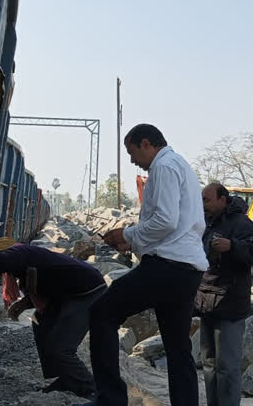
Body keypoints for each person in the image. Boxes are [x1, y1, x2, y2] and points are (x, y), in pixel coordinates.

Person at [77, 123, 208, 406]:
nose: (132, 160)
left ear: (146, 143)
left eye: (132, 152)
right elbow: (172, 224)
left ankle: (110, 399)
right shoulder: (179, 164)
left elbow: (165, 221)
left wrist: (127, 234)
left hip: (168, 266)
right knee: (177, 348)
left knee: (101, 313)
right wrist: (133, 241)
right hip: (187, 269)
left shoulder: (164, 166)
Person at [0, 237, 106, 399]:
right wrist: (24, 304)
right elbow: (48, 285)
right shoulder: (25, 260)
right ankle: (67, 378)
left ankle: (89, 387)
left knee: (60, 347)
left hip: (89, 292)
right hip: (72, 293)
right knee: (40, 323)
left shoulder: (19, 252)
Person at [195, 183, 253, 406]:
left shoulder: (241, 223)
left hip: (230, 306)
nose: (202, 204)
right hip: (205, 304)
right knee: (208, 363)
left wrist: (232, 246)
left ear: (222, 200)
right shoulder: (204, 223)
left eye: (206, 200)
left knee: (227, 366)